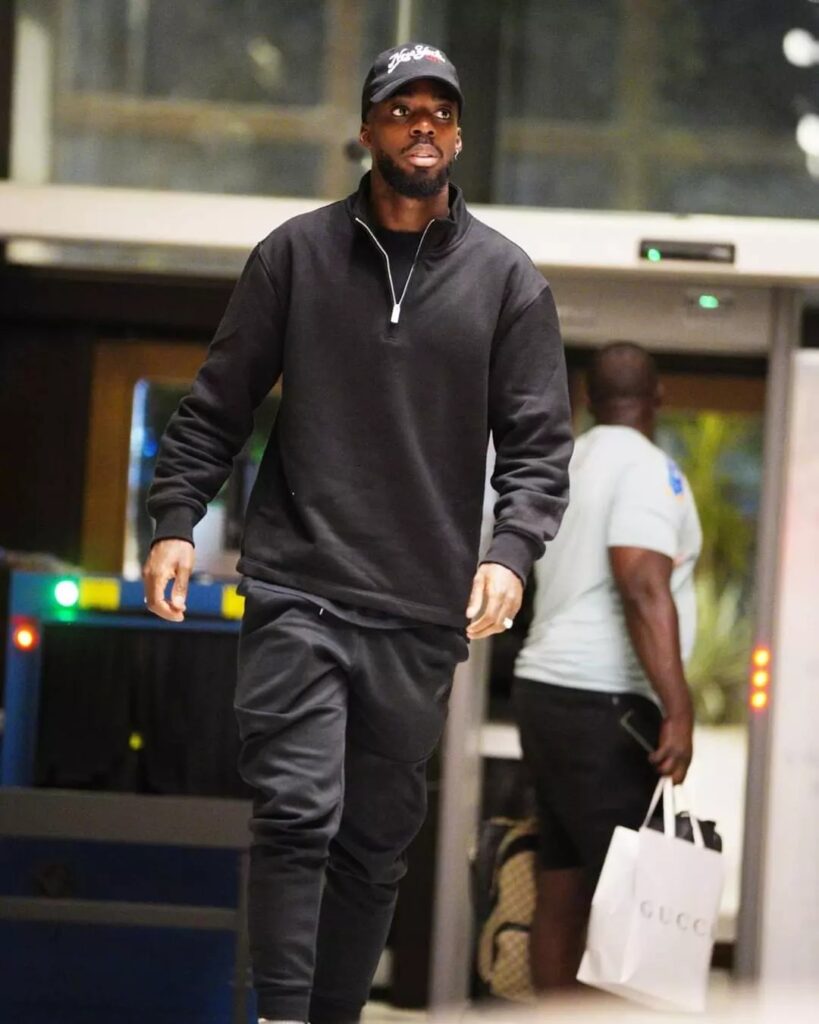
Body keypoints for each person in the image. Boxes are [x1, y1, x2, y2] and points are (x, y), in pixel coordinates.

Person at [143, 42, 573, 1024]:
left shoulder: (507, 281)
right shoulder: (294, 256)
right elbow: (217, 406)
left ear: (457, 136)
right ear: (369, 130)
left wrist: (510, 553)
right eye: (402, 108)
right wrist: (175, 520)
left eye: (440, 111)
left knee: (376, 842)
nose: (423, 124)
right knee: (297, 810)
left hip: (419, 606)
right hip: (299, 583)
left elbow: (539, 447)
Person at [513, 341, 701, 993]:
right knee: (628, 900)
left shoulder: (563, 462)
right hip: (604, 704)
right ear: (658, 398)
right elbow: (642, 582)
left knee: (562, 885)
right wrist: (678, 708)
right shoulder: (649, 470)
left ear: (588, 400)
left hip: (545, 695)